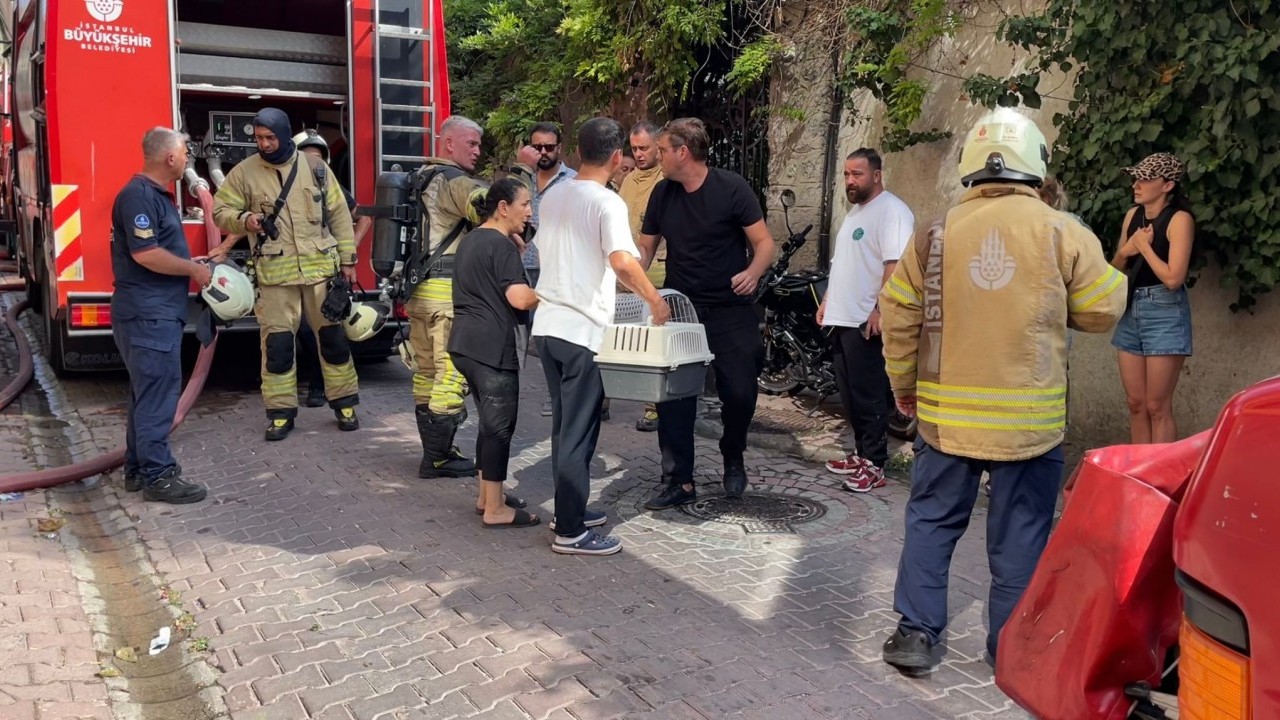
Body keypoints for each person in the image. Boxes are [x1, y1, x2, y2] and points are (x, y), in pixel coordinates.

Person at [877, 108, 1127, 674]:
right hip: (1028, 426)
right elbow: (1103, 308)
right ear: (1034, 166)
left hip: (946, 421)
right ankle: (1010, 648)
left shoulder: (933, 235)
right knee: (1021, 538)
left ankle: (916, 635)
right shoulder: (1062, 230)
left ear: (972, 166)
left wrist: (903, 385)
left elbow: (897, 310)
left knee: (933, 524)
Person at [533, 117, 670, 555]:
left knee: (565, 427)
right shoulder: (607, 202)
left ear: (576, 150)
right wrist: (654, 300)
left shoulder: (552, 194)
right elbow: (623, 262)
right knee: (577, 432)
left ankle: (568, 509)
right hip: (581, 332)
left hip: (548, 327)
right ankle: (571, 532)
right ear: (617, 157)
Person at [637, 118, 775, 508]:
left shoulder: (731, 188)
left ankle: (733, 454)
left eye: (662, 149)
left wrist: (752, 272)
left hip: (731, 309)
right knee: (674, 397)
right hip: (680, 308)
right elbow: (646, 249)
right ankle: (678, 480)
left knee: (740, 391)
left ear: (683, 152)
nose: (656, 156)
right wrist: (631, 273)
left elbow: (765, 243)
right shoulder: (662, 194)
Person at [213, 108, 360, 441]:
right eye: (259, 139)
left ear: (283, 132)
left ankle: (345, 404)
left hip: (321, 272)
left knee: (333, 341)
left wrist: (348, 261)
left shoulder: (316, 168)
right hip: (275, 277)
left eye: (270, 137)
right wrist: (246, 219)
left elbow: (339, 214)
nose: (264, 144)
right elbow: (220, 212)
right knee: (278, 346)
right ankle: (280, 413)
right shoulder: (244, 173)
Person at [111, 127, 211, 503]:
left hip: (150, 313)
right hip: (148, 315)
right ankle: (159, 476)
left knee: (145, 393)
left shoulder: (155, 196)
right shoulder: (138, 196)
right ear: (170, 157)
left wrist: (189, 263)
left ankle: (137, 468)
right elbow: (146, 255)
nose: (188, 158)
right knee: (157, 395)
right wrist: (192, 271)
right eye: (185, 152)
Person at [816, 148, 915, 492]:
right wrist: (828, 300)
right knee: (849, 393)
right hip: (843, 317)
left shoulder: (892, 212)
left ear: (877, 174)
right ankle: (860, 454)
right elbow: (843, 263)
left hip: (866, 320)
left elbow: (895, 265)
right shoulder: (855, 214)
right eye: (846, 174)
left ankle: (875, 464)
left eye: (857, 174)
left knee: (869, 394)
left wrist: (880, 309)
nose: (849, 181)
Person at [449, 178, 541, 528]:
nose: (530, 212)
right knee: (500, 427)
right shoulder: (500, 246)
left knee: (489, 424)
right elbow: (518, 297)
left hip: (465, 344)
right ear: (503, 207)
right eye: (525, 204)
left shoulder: (471, 239)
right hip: (492, 346)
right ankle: (496, 511)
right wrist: (548, 291)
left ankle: (488, 496)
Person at [404, 116, 491, 479]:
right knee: (451, 374)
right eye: (470, 143)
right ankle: (438, 457)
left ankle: (434, 451)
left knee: (425, 373)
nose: (477, 150)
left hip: (418, 293)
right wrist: (521, 171)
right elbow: (488, 208)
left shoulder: (418, 178)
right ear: (448, 144)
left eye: (478, 144)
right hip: (447, 296)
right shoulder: (455, 181)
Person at [1109, 153, 1194, 445]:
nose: (1137, 184)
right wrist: (1126, 251)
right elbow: (1115, 270)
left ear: (1167, 185)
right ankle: (1139, 477)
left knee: (1158, 406)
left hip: (1165, 311)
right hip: (1131, 309)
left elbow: (1173, 278)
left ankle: (1161, 479)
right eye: (1136, 177)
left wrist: (1144, 248)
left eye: (1146, 178)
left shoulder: (1179, 220)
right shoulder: (1133, 216)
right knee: (1135, 403)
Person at [525, 121, 578, 417]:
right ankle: (551, 390)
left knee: (558, 335)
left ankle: (557, 395)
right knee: (537, 338)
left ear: (559, 148)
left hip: (557, 270)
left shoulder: (572, 181)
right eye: (537, 147)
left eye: (548, 146)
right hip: (524, 268)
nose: (543, 152)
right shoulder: (522, 179)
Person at [620, 120, 667, 433]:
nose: (638, 154)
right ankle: (606, 398)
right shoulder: (628, 181)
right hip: (629, 271)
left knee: (656, 343)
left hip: (660, 271)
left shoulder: (666, 179)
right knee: (620, 336)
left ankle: (655, 407)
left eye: (644, 148)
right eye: (634, 148)